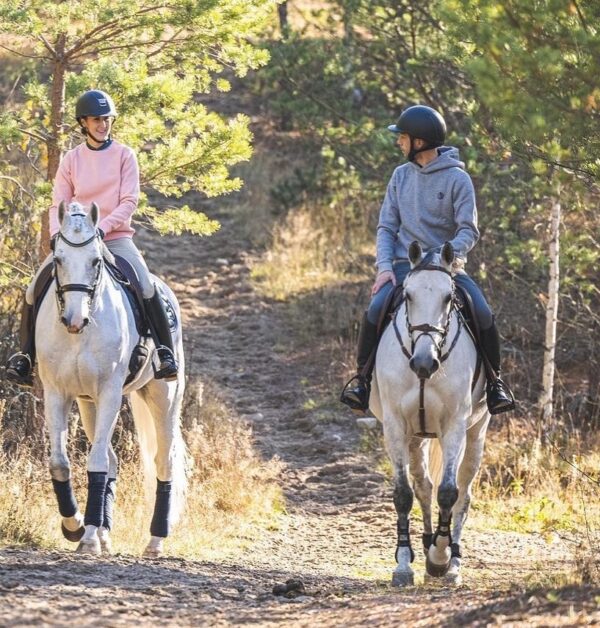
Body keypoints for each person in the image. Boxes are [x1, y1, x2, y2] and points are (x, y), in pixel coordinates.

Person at [340, 104, 515, 416]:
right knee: (376, 310)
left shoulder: (458, 179)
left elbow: (468, 230)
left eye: (403, 137)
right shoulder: (400, 176)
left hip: (447, 266)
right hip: (404, 266)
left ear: (418, 142)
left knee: (483, 313)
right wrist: (383, 268)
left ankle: (494, 384)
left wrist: (443, 256)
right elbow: (386, 227)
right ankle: (362, 381)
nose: (399, 142)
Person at [5, 89, 178, 387]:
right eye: (97, 120)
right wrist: (58, 235)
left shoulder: (125, 155)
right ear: (83, 122)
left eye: (107, 119)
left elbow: (129, 201)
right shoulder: (72, 159)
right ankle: (26, 358)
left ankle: (164, 353)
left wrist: (102, 229)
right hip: (76, 243)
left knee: (146, 286)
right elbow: (58, 202)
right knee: (34, 289)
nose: (103, 125)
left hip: (115, 238)